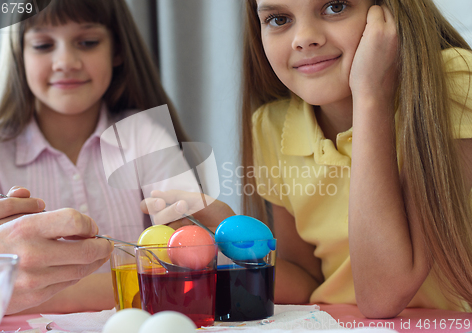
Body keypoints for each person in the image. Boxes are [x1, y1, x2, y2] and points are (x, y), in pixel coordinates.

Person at [143, 0, 472, 318]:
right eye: (279, 19)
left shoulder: (452, 82)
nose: (304, 38)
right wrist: (228, 239)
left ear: (389, 12)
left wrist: (371, 96)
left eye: (335, 6)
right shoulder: (272, 126)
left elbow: (382, 296)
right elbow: (306, 281)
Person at [0, 0, 189, 314]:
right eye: (43, 44)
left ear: (116, 50)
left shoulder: (144, 135)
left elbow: (194, 265)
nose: (66, 62)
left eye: (87, 42)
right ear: (20, 55)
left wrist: (13, 294)